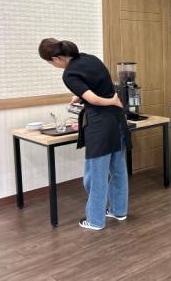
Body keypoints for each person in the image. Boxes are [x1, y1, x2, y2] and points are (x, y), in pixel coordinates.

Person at [39, 38, 130, 230]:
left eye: (50, 63)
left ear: (55, 59)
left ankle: (95, 220)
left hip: (100, 126)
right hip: (117, 122)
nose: (53, 66)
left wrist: (112, 101)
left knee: (96, 174)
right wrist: (82, 96)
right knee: (118, 169)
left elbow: (95, 99)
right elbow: (99, 87)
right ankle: (118, 210)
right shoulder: (89, 58)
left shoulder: (69, 74)